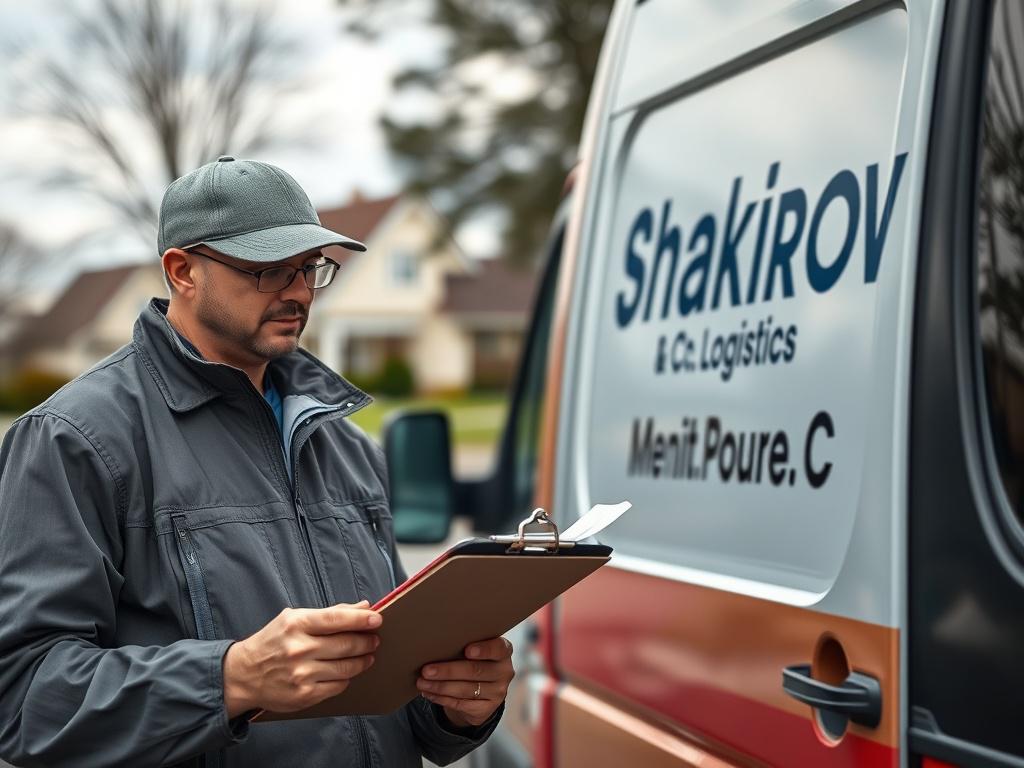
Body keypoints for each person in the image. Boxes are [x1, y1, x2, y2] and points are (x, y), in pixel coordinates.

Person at [0, 156, 513, 767]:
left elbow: (396, 704)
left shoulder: (347, 448)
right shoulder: (75, 440)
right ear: (182, 270)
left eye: (308, 268)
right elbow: (26, 699)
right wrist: (230, 678)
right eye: (269, 270)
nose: (298, 291)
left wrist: (456, 705)